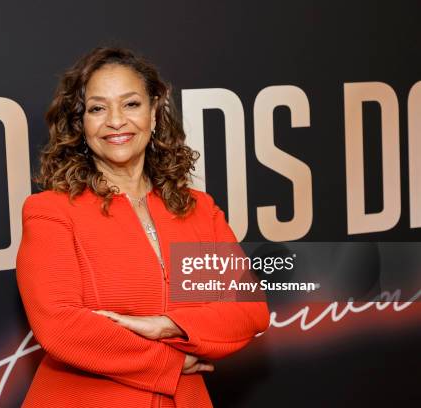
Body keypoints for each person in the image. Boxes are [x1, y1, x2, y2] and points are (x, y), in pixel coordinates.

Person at [16, 47, 269, 408]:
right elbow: (61, 327)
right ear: (80, 123)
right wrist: (172, 361)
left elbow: (249, 310)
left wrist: (168, 324)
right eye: (97, 108)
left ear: (154, 111)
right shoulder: (51, 212)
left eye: (131, 104)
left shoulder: (197, 209)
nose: (116, 121)